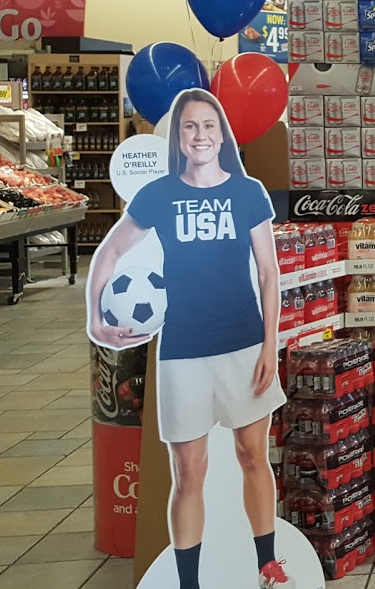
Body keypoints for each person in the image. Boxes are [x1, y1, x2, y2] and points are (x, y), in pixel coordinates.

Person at [87, 89, 289, 589]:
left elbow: (268, 273)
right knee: (189, 471)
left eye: (209, 126)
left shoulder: (248, 193)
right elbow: (109, 254)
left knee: (251, 455)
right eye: (190, 127)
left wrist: (270, 345)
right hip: (182, 350)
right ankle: (190, 582)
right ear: (179, 137)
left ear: (222, 133)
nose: (200, 135)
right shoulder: (158, 194)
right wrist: (96, 318)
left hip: (244, 343)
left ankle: (267, 562)